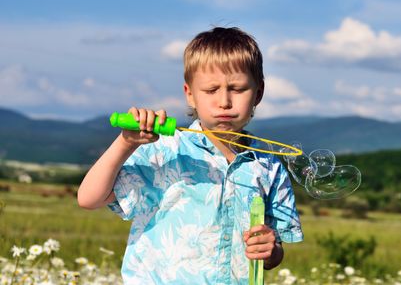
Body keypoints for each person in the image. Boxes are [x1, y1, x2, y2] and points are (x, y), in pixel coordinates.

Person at [77, 27, 304, 284]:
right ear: (190, 95)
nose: (224, 101)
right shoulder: (166, 149)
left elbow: (275, 249)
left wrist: (270, 251)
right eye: (210, 90)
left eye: (238, 89)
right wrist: (125, 143)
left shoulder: (269, 167)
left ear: (258, 93)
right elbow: (89, 198)